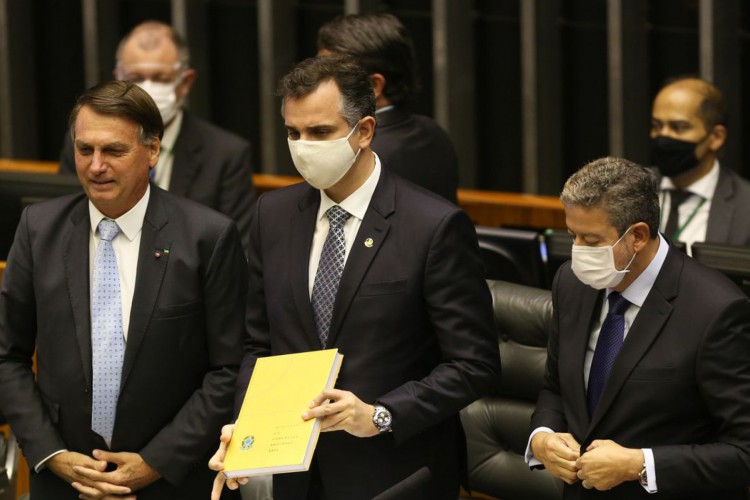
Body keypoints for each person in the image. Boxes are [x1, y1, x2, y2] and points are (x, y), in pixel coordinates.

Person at [208, 55, 500, 500]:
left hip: (393, 473)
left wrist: (382, 413)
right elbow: (259, 345)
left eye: (320, 132)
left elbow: (474, 365)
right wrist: (248, 429)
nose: (303, 146)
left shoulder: (433, 226)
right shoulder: (273, 214)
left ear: (364, 131)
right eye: (293, 132)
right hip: (297, 475)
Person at [0, 80, 248, 499]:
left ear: (152, 151)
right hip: (64, 481)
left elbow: (229, 369)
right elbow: (7, 354)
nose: (96, 166)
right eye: (85, 150)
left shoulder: (208, 237)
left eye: (113, 150)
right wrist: (52, 453)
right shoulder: (38, 229)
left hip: (172, 481)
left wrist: (156, 462)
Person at [526, 157, 750, 499]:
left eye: (592, 240)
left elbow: (742, 452)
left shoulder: (715, 310)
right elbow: (556, 385)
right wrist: (542, 437)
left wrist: (640, 464)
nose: (577, 253)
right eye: (573, 236)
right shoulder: (571, 283)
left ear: (638, 236)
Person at [59, 20, 255, 252]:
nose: (146, 88)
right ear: (117, 78)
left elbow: (236, 252)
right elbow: (66, 227)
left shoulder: (225, 154)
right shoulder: (87, 143)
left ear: (186, 82)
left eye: (160, 78)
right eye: (136, 77)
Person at [317, 13, 460, 204]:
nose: (317, 83)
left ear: (374, 86)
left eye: (330, 74)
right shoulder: (434, 133)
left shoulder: (360, 154)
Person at [650, 77, 750, 250]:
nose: (663, 136)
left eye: (678, 127)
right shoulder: (630, 189)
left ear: (716, 137)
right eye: (657, 126)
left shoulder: (745, 206)